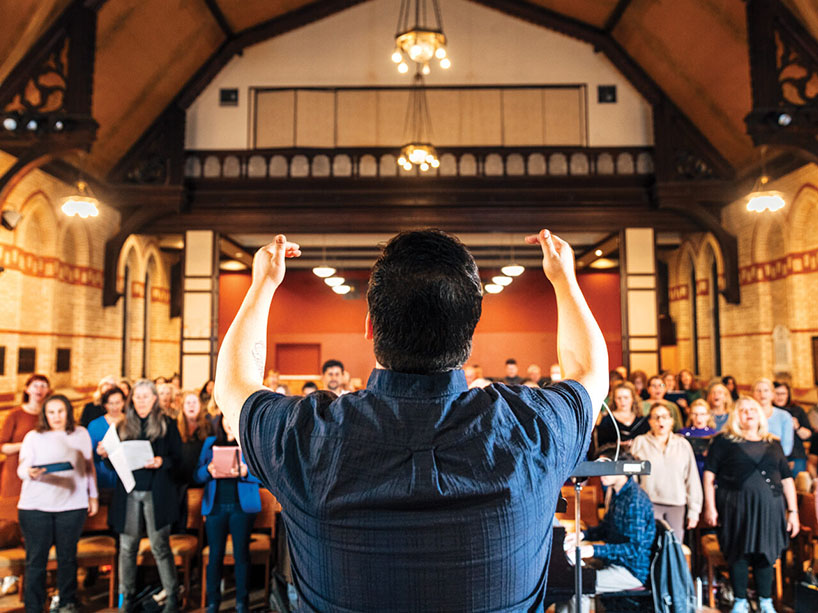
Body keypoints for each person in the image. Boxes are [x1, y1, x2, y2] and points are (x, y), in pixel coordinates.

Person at [215, 229, 608, 611]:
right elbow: (590, 372)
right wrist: (564, 280)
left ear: (370, 326)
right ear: (470, 332)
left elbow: (232, 386)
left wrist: (262, 284)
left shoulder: (307, 436)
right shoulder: (531, 427)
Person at [703, 396, 799, 613]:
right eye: (743, 410)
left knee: (766, 552)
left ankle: (765, 600)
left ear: (759, 414)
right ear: (736, 415)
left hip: (770, 507)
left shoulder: (773, 442)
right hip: (735, 506)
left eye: (752, 410)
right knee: (740, 551)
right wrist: (710, 506)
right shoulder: (723, 441)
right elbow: (709, 476)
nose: (748, 413)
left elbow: (786, 478)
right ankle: (740, 600)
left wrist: (793, 512)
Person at [99, 379, 182, 612]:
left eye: (146, 396)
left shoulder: (167, 424)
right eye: (137, 396)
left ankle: (172, 596)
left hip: (157, 493)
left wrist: (161, 461)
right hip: (129, 492)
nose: (141, 400)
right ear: (131, 399)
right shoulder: (122, 426)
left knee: (160, 546)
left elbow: (179, 460)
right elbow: (113, 464)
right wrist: (106, 455)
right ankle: (126, 597)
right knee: (127, 547)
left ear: (155, 399)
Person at [17, 394, 98, 613]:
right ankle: (34, 606)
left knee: (67, 557)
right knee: (36, 559)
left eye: (61, 411)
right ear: (44, 414)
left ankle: (66, 602)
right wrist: (30, 473)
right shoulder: (33, 437)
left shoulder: (81, 434)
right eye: (51, 412)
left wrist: (93, 496)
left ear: (68, 412)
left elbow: (89, 467)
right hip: (36, 507)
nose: (56, 417)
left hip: (72, 505)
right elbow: (21, 468)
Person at [556, 451, 656, 613]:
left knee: (579, 587)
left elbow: (634, 548)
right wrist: (582, 535)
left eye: (604, 466)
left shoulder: (635, 500)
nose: (599, 472)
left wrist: (593, 550)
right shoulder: (618, 494)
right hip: (615, 562)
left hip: (631, 570)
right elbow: (605, 528)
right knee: (566, 582)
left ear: (621, 469)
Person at [195, 415, 261, 613]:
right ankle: (213, 602)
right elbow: (197, 475)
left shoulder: (249, 441)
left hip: (241, 508)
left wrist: (245, 472)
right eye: (225, 419)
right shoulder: (210, 443)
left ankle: (242, 602)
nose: (228, 423)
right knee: (216, 555)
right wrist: (208, 469)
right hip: (215, 508)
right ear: (221, 422)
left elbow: (262, 474)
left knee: (241, 555)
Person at [631, 403, 703, 542]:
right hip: (649, 503)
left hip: (676, 504)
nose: (660, 421)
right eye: (656, 417)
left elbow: (691, 478)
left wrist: (694, 510)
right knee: (649, 547)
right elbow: (633, 479)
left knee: (672, 549)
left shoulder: (682, 444)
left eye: (664, 417)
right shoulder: (640, 442)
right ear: (650, 421)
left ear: (671, 420)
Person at [173, 391, 213, 531]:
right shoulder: (175, 427)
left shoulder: (208, 427)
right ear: (182, 407)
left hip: (201, 481)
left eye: (194, 402)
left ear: (200, 406)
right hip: (180, 481)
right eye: (188, 403)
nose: (191, 406)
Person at [591, 381, 649, 457]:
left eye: (626, 397)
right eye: (619, 398)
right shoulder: (607, 420)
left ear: (633, 399)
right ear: (614, 400)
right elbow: (601, 446)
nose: (622, 401)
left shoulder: (642, 421)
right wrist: (616, 444)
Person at [87, 387, 127, 493]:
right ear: (105, 405)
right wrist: (99, 452)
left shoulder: (131, 423)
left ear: (124, 402)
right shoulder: (95, 425)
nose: (114, 407)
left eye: (118, 402)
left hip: (126, 475)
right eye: (111, 403)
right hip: (103, 475)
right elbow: (89, 454)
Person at [773, 381, 811, 474]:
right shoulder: (768, 411)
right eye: (777, 393)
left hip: (796, 455)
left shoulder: (797, 410)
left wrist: (797, 427)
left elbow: (808, 436)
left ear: (788, 395)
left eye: (783, 394)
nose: (780, 397)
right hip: (773, 455)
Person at [753, 378, 794, 457]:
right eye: (758, 390)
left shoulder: (784, 416)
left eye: (766, 390)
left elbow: (786, 449)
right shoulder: (748, 415)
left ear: (772, 394)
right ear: (753, 394)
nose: (762, 394)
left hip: (776, 460)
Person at [678, 398, 717, 477]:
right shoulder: (683, 433)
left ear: (708, 415)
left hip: (706, 472)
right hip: (687, 472)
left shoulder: (714, 434)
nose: (698, 418)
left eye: (702, 414)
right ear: (690, 415)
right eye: (695, 414)